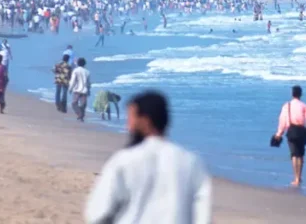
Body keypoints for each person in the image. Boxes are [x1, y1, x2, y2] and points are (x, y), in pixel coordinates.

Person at [85, 91, 211, 224]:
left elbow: (98, 212)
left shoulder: (124, 160)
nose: (128, 126)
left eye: (131, 119)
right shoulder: (190, 162)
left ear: (144, 121)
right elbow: (203, 216)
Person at [273, 85, 306, 187]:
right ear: (301, 94)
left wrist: (279, 134)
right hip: (302, 131)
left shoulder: (286, 106)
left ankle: (295, 178)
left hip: (291, 131)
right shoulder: (305, 106)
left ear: (292, 94)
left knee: (294, 154)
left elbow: (282, 121)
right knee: (301, 155)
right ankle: (299, 177)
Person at [68, 57, 91, 122]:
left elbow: (73, 81)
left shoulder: (75, 70)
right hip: (84, 90)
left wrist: (70, 88)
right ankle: (81, 116)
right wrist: (89, 90)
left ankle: (79, 114)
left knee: (74, 103)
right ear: (84, 64)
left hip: (77, 90)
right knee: (83, 104)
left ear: (78, 63)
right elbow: (89, 82)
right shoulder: (87, 72)